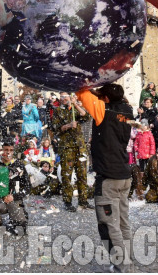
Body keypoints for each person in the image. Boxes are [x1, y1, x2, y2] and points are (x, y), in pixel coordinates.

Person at [77, 84, 134, 273]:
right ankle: (127, 260)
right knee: (122, 223)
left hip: (108, 178)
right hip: (123, 175)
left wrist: (88, 80)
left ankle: (122, 267)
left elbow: (81, 91)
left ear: (106, 99)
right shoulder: (127, 110)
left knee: (108, 226)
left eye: (101, 97)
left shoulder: (104, 110)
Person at [51, 92, 93, 212]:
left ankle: (83, 200)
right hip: (67, 147)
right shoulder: (58, 111)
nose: (64, 99)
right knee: (67, 176)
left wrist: (76, 104)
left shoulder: (75, 109)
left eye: (66, 97)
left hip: (80, 147)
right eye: (62, 97)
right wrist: (68, 125)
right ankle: (67, 201)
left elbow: (86, 116)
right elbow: (56, 128)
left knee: (82, 175)